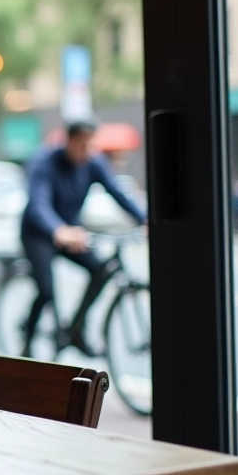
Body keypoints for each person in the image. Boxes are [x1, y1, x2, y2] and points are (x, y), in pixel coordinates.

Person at [20, 120, 147, 357]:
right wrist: (58, 229)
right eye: (82, 145)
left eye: (91, 145)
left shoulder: (93, 162)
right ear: (69, 140)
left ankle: (76, 329)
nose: (86, 151)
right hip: (39, 233)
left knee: (100, 269)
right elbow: (39, 204)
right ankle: (26, 339)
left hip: (71, 234)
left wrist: (144, 219)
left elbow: (116, 192)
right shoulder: (45, 163)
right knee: (46, 291)